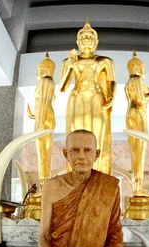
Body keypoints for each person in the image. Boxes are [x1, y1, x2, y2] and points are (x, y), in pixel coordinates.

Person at [4, 130, 149, 247]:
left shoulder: (109, 186)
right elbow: (44, 236)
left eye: (87, 150)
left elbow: (115, 236)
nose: (81, 156)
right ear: (65, 154)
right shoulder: (52, 187)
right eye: (75, 150)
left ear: (96, 154)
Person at [59, 21, 116, 175]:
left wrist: (110, 96)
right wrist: (71, 66)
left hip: (97, 97)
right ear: (77, 42)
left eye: (90, 36)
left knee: (97, 134)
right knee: (75, 135)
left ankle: (98, 174)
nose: (86, 39)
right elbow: (62, 87)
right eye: (83, 37)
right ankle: (76, 175)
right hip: (77, 97)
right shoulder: (70, 60)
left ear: (96, 42)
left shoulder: (104, 60)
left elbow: (111, 81)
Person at [125, 51, 149, 196]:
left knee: (138, 149)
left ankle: (138, 186)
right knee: (139, 149)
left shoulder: (133, 81)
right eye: (142, 68)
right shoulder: (136, 81)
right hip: (138, 114)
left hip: (136, 114)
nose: (144, 71)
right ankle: (137, 187)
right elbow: (140, 101)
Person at [27, 52, 56, 187]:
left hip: (44, 116)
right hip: (44, 115)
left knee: (42, 147)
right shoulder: (48, 82)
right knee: (44, 147)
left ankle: (44, 181)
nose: (36, 74)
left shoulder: (45, 81)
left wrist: (38, 119)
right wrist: (34, 115)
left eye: (38, 70)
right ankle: (44, 180)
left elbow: (44, 102)